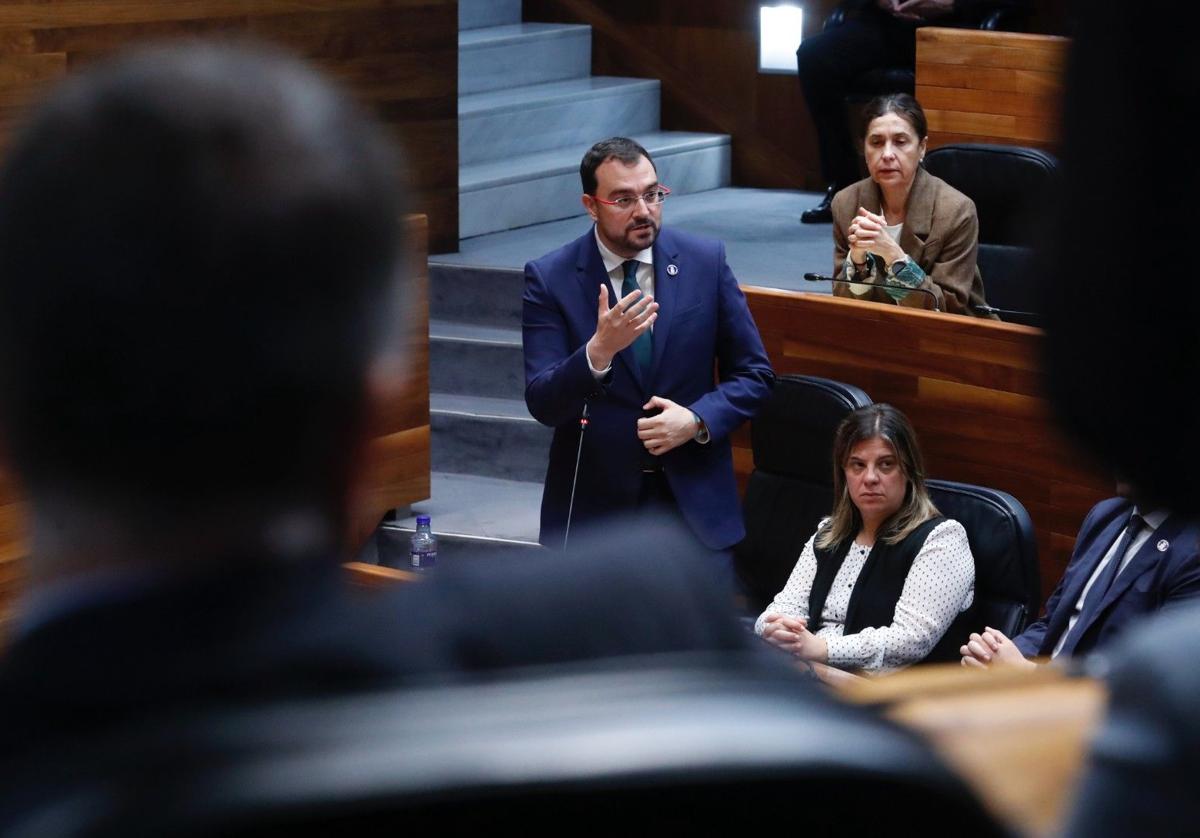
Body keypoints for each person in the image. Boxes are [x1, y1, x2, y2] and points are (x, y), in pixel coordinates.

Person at [522, 137, 775, 560]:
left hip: (693, 510)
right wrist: (596, 353)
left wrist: (697, 420)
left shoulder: (704, 261)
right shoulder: (551, 278)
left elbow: (755, 375)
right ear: (591, 205)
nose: (643, 210)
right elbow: (543, 403)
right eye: (623, 199)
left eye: (652, 194)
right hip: (595, 518)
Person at [755, 403, 974, 672]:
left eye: (885, 465)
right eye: (857, 465)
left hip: (885, 696)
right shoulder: (829, 534)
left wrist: (821, 649)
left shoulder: (942, 539)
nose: (870, 478)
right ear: (844, 473)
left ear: (908, 471)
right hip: (808, 677)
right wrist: (775, 628)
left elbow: (911, 640)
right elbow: (784, 606)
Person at [796, 0, 1032, 225]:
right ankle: (844, 186)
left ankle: (951, 195)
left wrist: (950, 4)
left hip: (955, 27)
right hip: (886, 26)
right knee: (814, 55)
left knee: (967, 67)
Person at [960, 491, 1200, 670]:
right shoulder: (1106, 516)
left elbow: (1153, 681)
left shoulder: (1192, 550)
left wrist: (1026, 674)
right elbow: (1053, 624)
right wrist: (993, 652)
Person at [830, 93, 992, 317]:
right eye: (876, 143)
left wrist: (894, 257)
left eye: (900, 142)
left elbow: (948, 307)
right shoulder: (846, 203)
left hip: (948, 338)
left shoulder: (956, 210)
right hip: (877, 332)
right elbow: (842, 303)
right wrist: (858, 264)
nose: (887, 154)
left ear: (922, 147)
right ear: (863, 148)